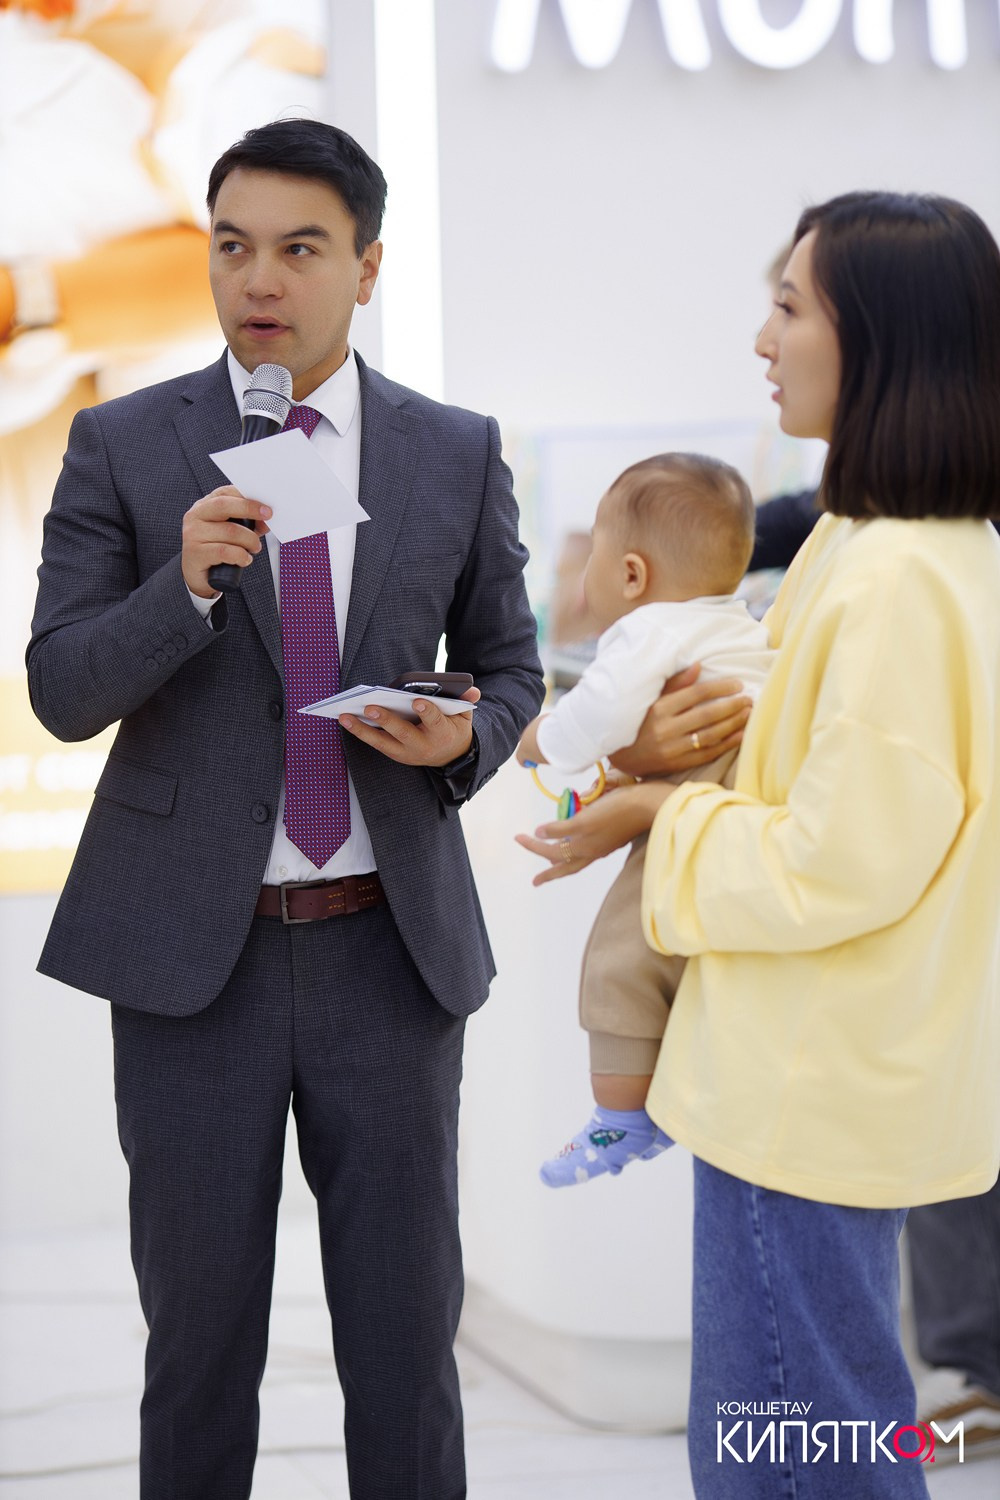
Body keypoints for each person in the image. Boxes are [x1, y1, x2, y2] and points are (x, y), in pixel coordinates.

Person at [26, 117, 547, 1500]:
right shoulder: (126, 447)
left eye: (300, 248)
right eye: (234, 245)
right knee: (196, 1354)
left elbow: (510, 666)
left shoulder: (450, 449)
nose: (260, 278)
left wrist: (463, 736)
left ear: (366, 268)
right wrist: (180, 588)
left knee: (403, 1355)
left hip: (392, 956)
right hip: (196, 970)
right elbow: (62, 690)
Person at [519, 190, 1000, 1498]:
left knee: (795, 1457)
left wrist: (651, 815)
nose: (762, 340)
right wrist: (669, 763)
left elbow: (835, 864)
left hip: (806, 1094)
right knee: (825, 1427)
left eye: (790, 308)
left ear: (884, 342)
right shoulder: (874, 540)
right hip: (814, 1083)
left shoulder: (897, 576)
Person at [516, 452, 774, 1186]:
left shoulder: (645, 631)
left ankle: (620, 1118)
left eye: (591, 552)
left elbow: (596, 714)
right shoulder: (737, 622)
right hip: (737, 787)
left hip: (697, 785)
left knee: (619, 948)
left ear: (631, 574)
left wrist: (537, 744)